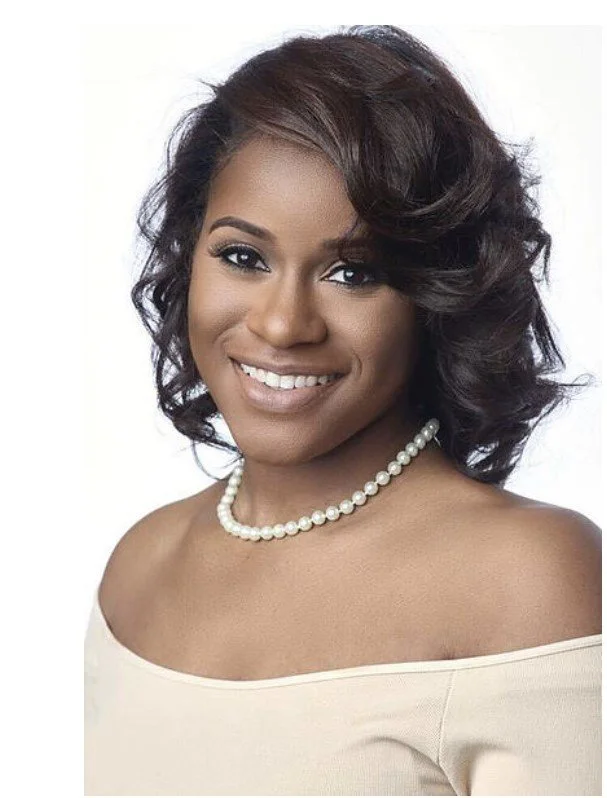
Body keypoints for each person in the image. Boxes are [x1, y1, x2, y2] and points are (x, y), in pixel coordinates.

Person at [84, 25, 601, 796]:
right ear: (187, 259)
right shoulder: (138, 569)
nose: (283, 323)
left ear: (437, 296)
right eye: (242, 257)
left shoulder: (524, 578)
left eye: (353, 272)